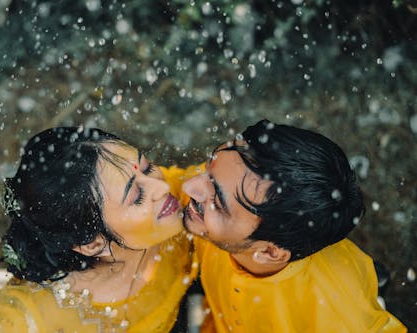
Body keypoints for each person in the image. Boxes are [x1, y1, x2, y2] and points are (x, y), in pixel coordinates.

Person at [0, 127, 197, 333]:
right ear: (93, 244)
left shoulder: (180, 207)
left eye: (147, 167)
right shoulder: (27, 320)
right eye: (137, 196)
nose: (161, 187)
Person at [166, 119, 407, 332]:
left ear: (269, 252)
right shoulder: (233, 192)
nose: (190, 187)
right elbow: (161, 185)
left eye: (217, 204)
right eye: (209, 169)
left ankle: (373, 288)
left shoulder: (333, 315)